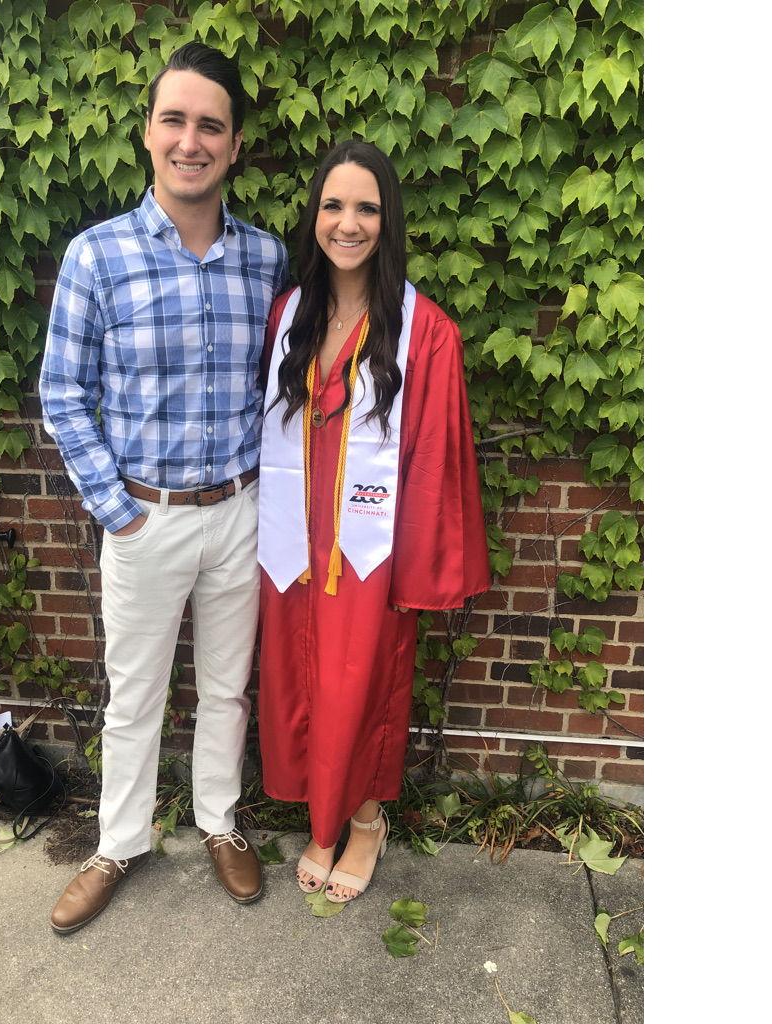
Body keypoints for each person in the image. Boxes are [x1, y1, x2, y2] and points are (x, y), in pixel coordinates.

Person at [40, 42, 288, 935]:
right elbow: (62, 392)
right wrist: (119, 512)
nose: (192, 140)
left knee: (227, 689)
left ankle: (220, 821)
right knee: (135, 695)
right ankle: (118, 844)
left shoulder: (266, 260)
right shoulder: (97, 257)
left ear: (235, 145)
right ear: (148, 133)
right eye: (174, 120)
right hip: (144, 516)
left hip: (240, 513)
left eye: (210, 125)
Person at [257, 141, 491, 903]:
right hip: (293, 544)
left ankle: (363, 821)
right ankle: (322, 819)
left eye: (366, 208)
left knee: (360, 683)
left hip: (368, 549)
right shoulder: (289, 315)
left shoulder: (425, 331)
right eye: (333, 205)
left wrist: (410, 574)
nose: (347, 223)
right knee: (301, 681)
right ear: (314, 216)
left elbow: (432, 462)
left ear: (388, 222)